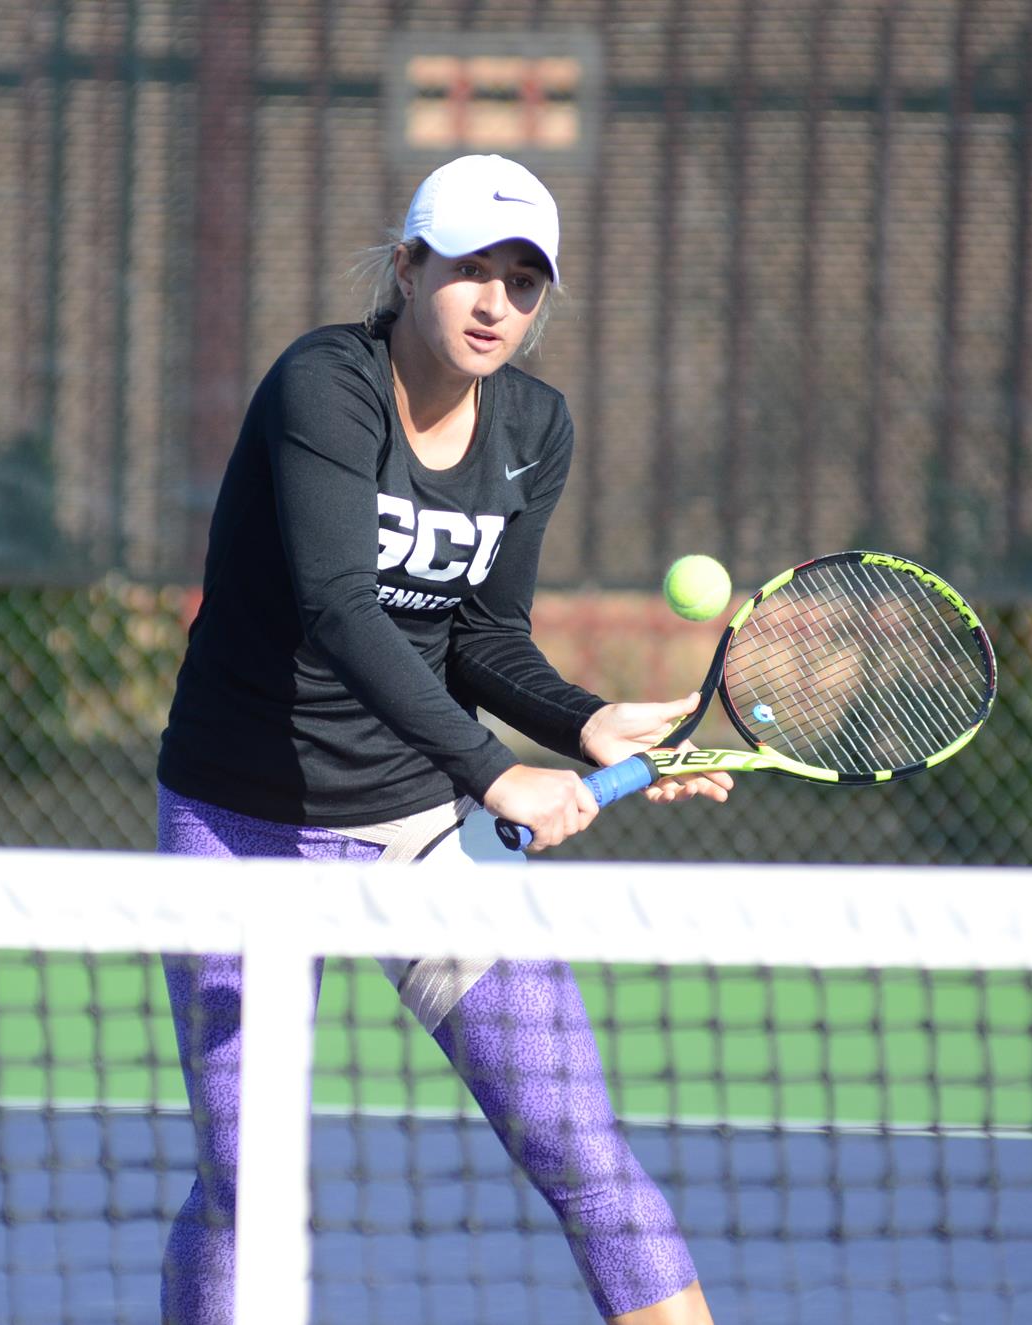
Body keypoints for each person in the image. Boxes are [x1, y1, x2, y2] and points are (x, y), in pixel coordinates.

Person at [155, 153, 728, 1324]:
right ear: (407, 266)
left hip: (419, 825)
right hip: (236, 823)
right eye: (469, 268)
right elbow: (337, 607)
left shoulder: (533, 427)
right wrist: (498, 770)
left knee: (578, 1145)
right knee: (244, 1183)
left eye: (523, 282)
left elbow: (480, 634)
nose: (493, 303)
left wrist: (577, 718)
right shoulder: (325, 384)